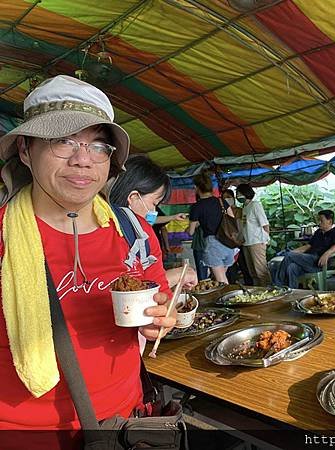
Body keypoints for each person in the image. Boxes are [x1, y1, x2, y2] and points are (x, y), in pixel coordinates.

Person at [0, 75, 174, 443]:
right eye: (63, 141)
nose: (83, 160)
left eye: (98, 146)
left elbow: (158, 302)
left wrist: (160, 320)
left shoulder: (134, 231)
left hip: (124, 425)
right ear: (26, 151)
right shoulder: (3, 235)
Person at [109, 154, 197, 290]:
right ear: (133, 197)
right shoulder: (112, 234)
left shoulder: (138, 232)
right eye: (154, 203)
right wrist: (178, 275)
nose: (154, 210)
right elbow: (131, 291)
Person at [272, 210, 335, 289]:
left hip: (320, 262)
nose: (319, 222)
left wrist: (326, 254)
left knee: (289, 256)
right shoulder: (318, 232)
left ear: (329, 221)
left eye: (321, 220)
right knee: (291, 267)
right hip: (309, 260)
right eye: (318, 220)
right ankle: (293, 292)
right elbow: (307, 246)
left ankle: (277, 285)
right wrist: (292, 252)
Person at [187, 171, 235, 284]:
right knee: (220, 277)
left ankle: (230, 300)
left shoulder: (197, 206)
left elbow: (191, 232)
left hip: (213, 244)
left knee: (221, 281)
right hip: (228, 243)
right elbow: (232, 218)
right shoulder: (221, 201)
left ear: (196, 187)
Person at [237, 183, 271, 286]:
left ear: (246, 193)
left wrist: (266, 239)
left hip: (257, 242)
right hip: (247, 243)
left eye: (239, 193)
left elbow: (265, 225)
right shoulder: (245, 207)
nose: (237, 196)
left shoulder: (255, 205)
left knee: (260, 271)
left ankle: (268, 290)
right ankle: (258, 292)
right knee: (252, 272)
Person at [223, 188, 253, 285]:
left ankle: (250, 285)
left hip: (240, 242)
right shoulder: (222, 212)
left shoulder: (241, 210)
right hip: (228, 243)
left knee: (245, 266)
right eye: (224, 198)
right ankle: (231, 285)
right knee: (231, 267)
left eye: (229, 197)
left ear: (233, 198)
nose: (227, 199)